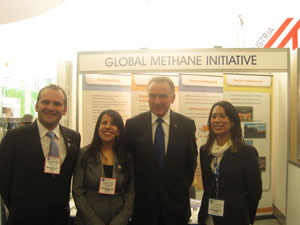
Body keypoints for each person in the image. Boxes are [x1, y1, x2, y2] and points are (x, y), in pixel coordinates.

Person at [0, 84, 81, 225]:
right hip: (23, 219)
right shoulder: (14, 138)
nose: (50, 107)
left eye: (57, 104)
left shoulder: (73, 138)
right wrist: (18, 208)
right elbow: (3, 179)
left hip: (59, 219)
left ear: (65, 109)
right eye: (45, 102)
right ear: (37, 106)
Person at [125, 76, 197, 225]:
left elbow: (190, 165)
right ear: (147, 97)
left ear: (172, 98)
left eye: (163, 96)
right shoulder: (133, 126)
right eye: (152, 96)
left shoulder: (186, 125)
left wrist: (177, 190)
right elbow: (127, 166)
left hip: (176, 209)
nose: (157, 101)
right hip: (143, 209)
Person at [198, 101, 262, 225]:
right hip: (208, 215)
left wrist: (247, 217)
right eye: (214, 116)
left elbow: (255, 191)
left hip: (234, 217)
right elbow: (208, 186)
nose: (217, 120)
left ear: (232, 121)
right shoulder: (204, 150)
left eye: (222, 116)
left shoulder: (246, 152)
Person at [73, 109, 134, 225]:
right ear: (98, 128)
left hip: (118, 218)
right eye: (104, 123)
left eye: (113, 124)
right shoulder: (84, 154)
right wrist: (93, 221)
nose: (108, 127)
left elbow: (131, 193)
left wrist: (120, 220)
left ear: (119, 131)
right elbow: (77, 190)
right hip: (87, 220)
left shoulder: (127, 158)